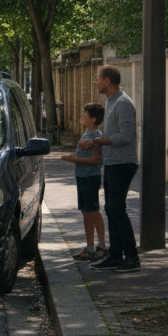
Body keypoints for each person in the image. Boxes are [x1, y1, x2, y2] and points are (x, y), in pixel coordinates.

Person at [80, 65, 140, 272]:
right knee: (111, 209)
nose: (95, 82)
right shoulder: (111, 101)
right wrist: (98, 143)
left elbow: (126, 136)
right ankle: (115, 255)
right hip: (112, 163)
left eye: (97, 79)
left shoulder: (123, 103)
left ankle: (132, 257)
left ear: (107, 81)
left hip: (123, 164)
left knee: (116, 209)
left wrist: (99, 140)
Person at [61, 102, 107, 262]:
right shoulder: (87, 133)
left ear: (93, 119)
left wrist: (75, 159)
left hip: (90, 177)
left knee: (93, 210)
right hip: (82, 176)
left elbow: (95, 159)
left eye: (84, 114)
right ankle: (90, 247)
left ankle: (102, 245)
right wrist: (73, 158)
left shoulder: (96, 137)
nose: (81, 116)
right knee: (86, 212)